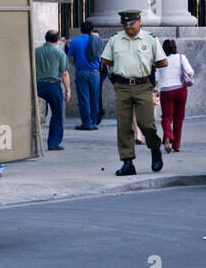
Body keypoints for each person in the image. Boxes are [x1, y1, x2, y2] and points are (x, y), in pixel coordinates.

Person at [100, 9, 168, 175]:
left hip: (143, 85)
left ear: (139, 21)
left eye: (131, 23)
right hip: (122, 87)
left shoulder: (150, 39)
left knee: (146, 123)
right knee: (123, 126)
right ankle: (127, 161)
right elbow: (105, 60)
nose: (128, 27)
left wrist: (147, 66)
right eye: (125, 24)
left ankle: (154, 148)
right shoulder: (115, 39)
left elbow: (163, 61)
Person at [35, 29, 70, 151]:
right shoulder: (60, 54)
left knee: (37, 115)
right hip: (53, 85)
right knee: (57, 114)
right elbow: (64, 73)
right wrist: (68, 90)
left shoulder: (36, 52)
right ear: (58, 39)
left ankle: (34, 143)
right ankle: (53, 143)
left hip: (38, 85)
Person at [157, 38, 195, 152]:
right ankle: (176, 145)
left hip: (166, 91)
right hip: (180, 90)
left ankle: (168, 137)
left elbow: (155, 78)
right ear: (175, 48)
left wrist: (155, 89)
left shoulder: (160, 59)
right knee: (179, 118)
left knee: (166, 117)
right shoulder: (181, 57)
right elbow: (190, 72)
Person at [67, 20, 103, 130]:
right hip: (95, 72)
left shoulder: (75, 41)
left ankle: (86, 122)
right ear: (91, 30)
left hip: (82, 71)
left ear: (81, 30)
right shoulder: (98, 41)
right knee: (95, 98)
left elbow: (71, 58)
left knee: (84, 98)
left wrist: (78, 64)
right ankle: (93, 121)